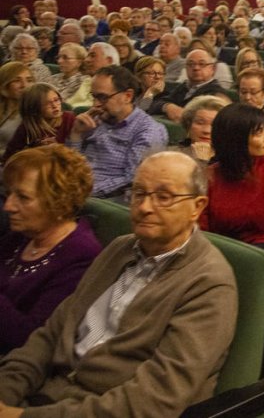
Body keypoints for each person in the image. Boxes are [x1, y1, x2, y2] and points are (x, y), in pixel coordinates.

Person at [0, 151, 238, 416]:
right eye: (139, 193)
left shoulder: (209, 284)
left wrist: (22, 416)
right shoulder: (119, 249)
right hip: (48, 395)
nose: (146, 207)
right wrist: (6, 391)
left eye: (164, 197)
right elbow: (49, 335)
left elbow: (154, 400)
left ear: (197, 206)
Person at [0, 144, 101, 354]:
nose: (8, 206)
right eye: (9, 194)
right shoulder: (22, 236)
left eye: (23, 197)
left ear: (59, 202)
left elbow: (31, 339)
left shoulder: (81, 256)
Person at [200, 103, 264, 247]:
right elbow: (201, 229)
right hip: (218, 249)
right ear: (236, 138)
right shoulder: (210, 176)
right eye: (259, 133)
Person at [67, 66, 167, 199]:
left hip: (102, 202)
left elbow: (133, 180)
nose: (96, 104)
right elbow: (70, 164)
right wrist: (76, 135)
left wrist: (82, 192)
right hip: (72, 188)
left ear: (127, 96)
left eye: (102, 97)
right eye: (94, 97)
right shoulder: (95, 119)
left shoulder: (147, 130)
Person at [3, 83, 75, 162]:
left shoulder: (69, 118)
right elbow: (9, 157)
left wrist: (58, 148)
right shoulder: (27, 128)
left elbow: (78, 150)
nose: (54, 105)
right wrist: (36, 151)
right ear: (34, 108)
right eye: (47, 103)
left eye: (56, 100)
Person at [154, 49, 225, 121]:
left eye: (202, 64)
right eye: (191, 64)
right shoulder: (184, 86)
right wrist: (167, 107)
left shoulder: (216, 93)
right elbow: (158, 103)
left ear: (212, 69)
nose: (196, 68)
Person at [0, 62, 34, 153]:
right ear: (4, 84)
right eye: (17, 80)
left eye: (29, 80)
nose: (24, 85)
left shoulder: (34, 112)